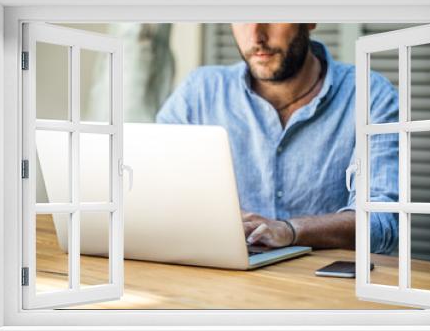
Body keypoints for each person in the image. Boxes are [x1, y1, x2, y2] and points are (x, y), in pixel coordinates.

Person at [156, 23, 399, 254]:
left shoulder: (370, 94)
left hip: (324, 288)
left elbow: (381, 222)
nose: (256, 36)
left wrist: (290, 230)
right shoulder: (199, 91)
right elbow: (155, 192)